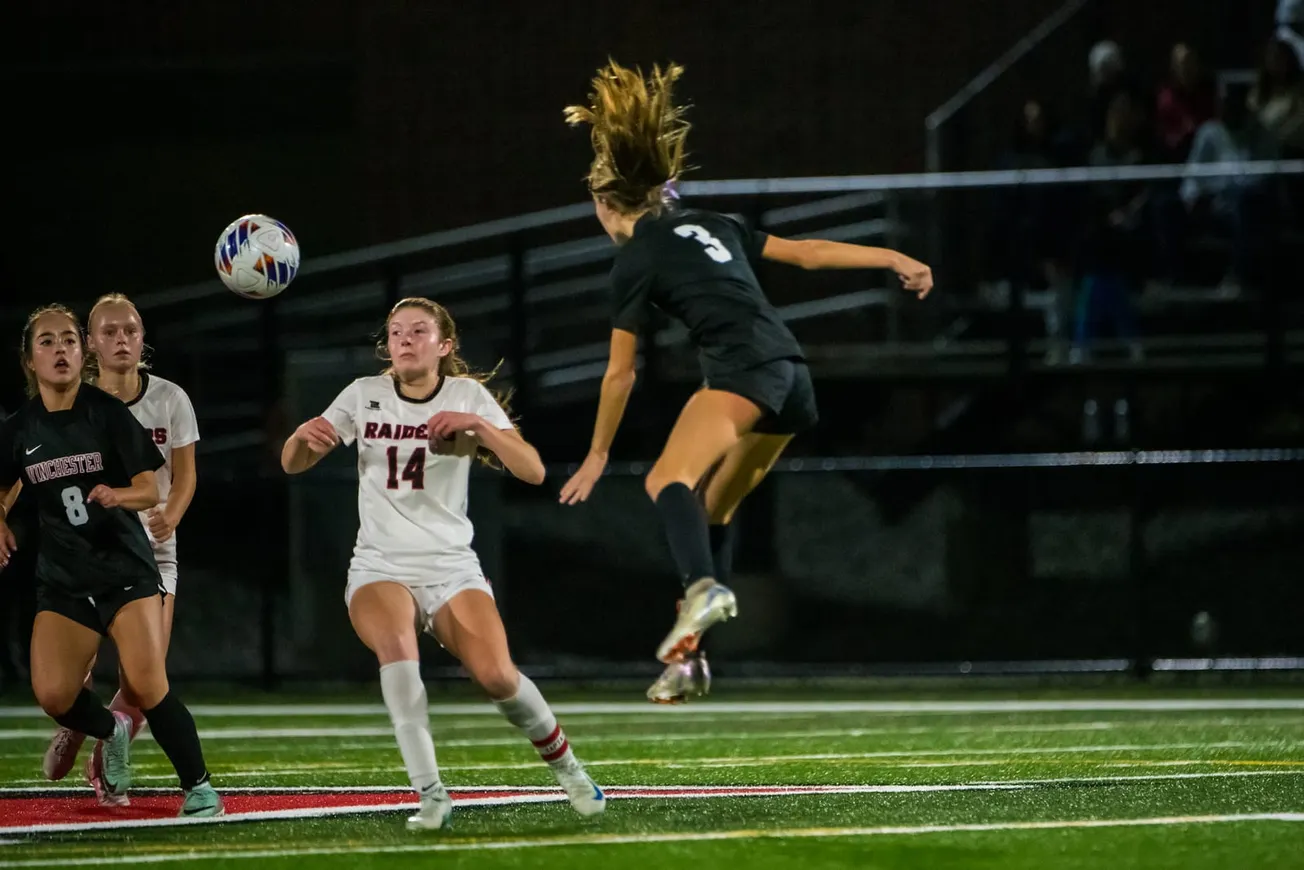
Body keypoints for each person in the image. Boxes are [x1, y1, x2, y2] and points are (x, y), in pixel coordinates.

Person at [559, 61, 933, 703]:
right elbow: (809, 253)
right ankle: (688, 662)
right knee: (714, 510)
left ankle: (703, 593)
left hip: (745, 371)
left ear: (604, 204)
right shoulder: (717, 224)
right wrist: (893, 256)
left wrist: (597, 454)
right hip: (792, 377)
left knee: (664, 480)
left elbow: (621, 372)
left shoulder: (633, 262)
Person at [281, 297, 604, 831]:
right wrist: (298, 440)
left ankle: (569, 770)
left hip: (451, 565)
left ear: (444, 346)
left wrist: (479, 424)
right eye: (396, 332)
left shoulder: (465, 395)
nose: (404, 340)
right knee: (398, 652)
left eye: (418, 331)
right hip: (380, 565)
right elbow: (294, 464)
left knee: (499, 677)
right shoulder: (364, 394)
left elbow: (533, 471)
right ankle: (431, 795)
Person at [0, 305, 220, 817]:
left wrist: (118, 496)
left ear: (83, 353)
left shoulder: (108, 412)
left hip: (124, 569)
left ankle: (201, 787)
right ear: (30, 360)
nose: (60, 350)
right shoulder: (19, 427)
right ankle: (109, 728)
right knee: (53, 693)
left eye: (69, 341)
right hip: (64, 579)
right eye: (48, 342)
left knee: (145, 683)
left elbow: (148, 488)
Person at [40, 294, 201, 796]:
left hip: (154, 553)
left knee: (143, 680)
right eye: (109, 332)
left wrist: (170, 515)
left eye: (130, 330)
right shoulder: (76, 400)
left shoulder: (170, 398)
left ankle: (109, 744)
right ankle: (77, 713)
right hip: (92, 550)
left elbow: (186, 476)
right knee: (72, 672)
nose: (122, 340)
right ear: (91, 344)